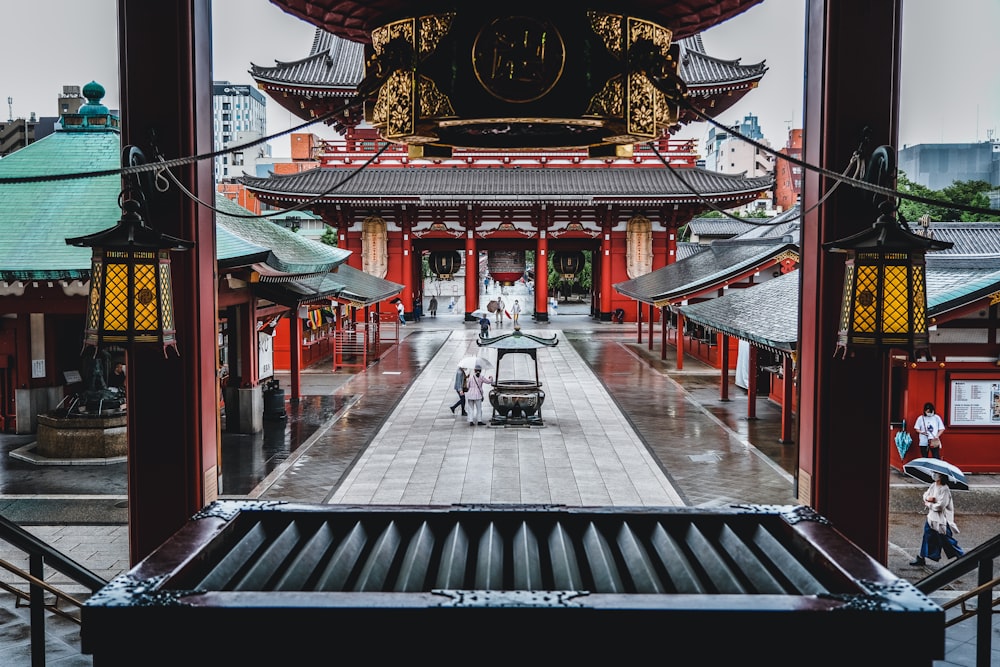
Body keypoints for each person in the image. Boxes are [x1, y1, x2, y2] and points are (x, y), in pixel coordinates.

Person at [910, 472, 964, 566]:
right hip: (931, 518)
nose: (934, 475)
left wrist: (930, 504)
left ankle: (961, 555)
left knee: (946, 539)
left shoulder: (945, 489)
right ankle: (921, 557)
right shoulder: (933, 485)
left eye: (936, 474)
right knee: (927, 537)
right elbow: (925, 495)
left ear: (942, 476)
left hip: (942, 520)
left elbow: (941, 506)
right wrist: (929, 498)